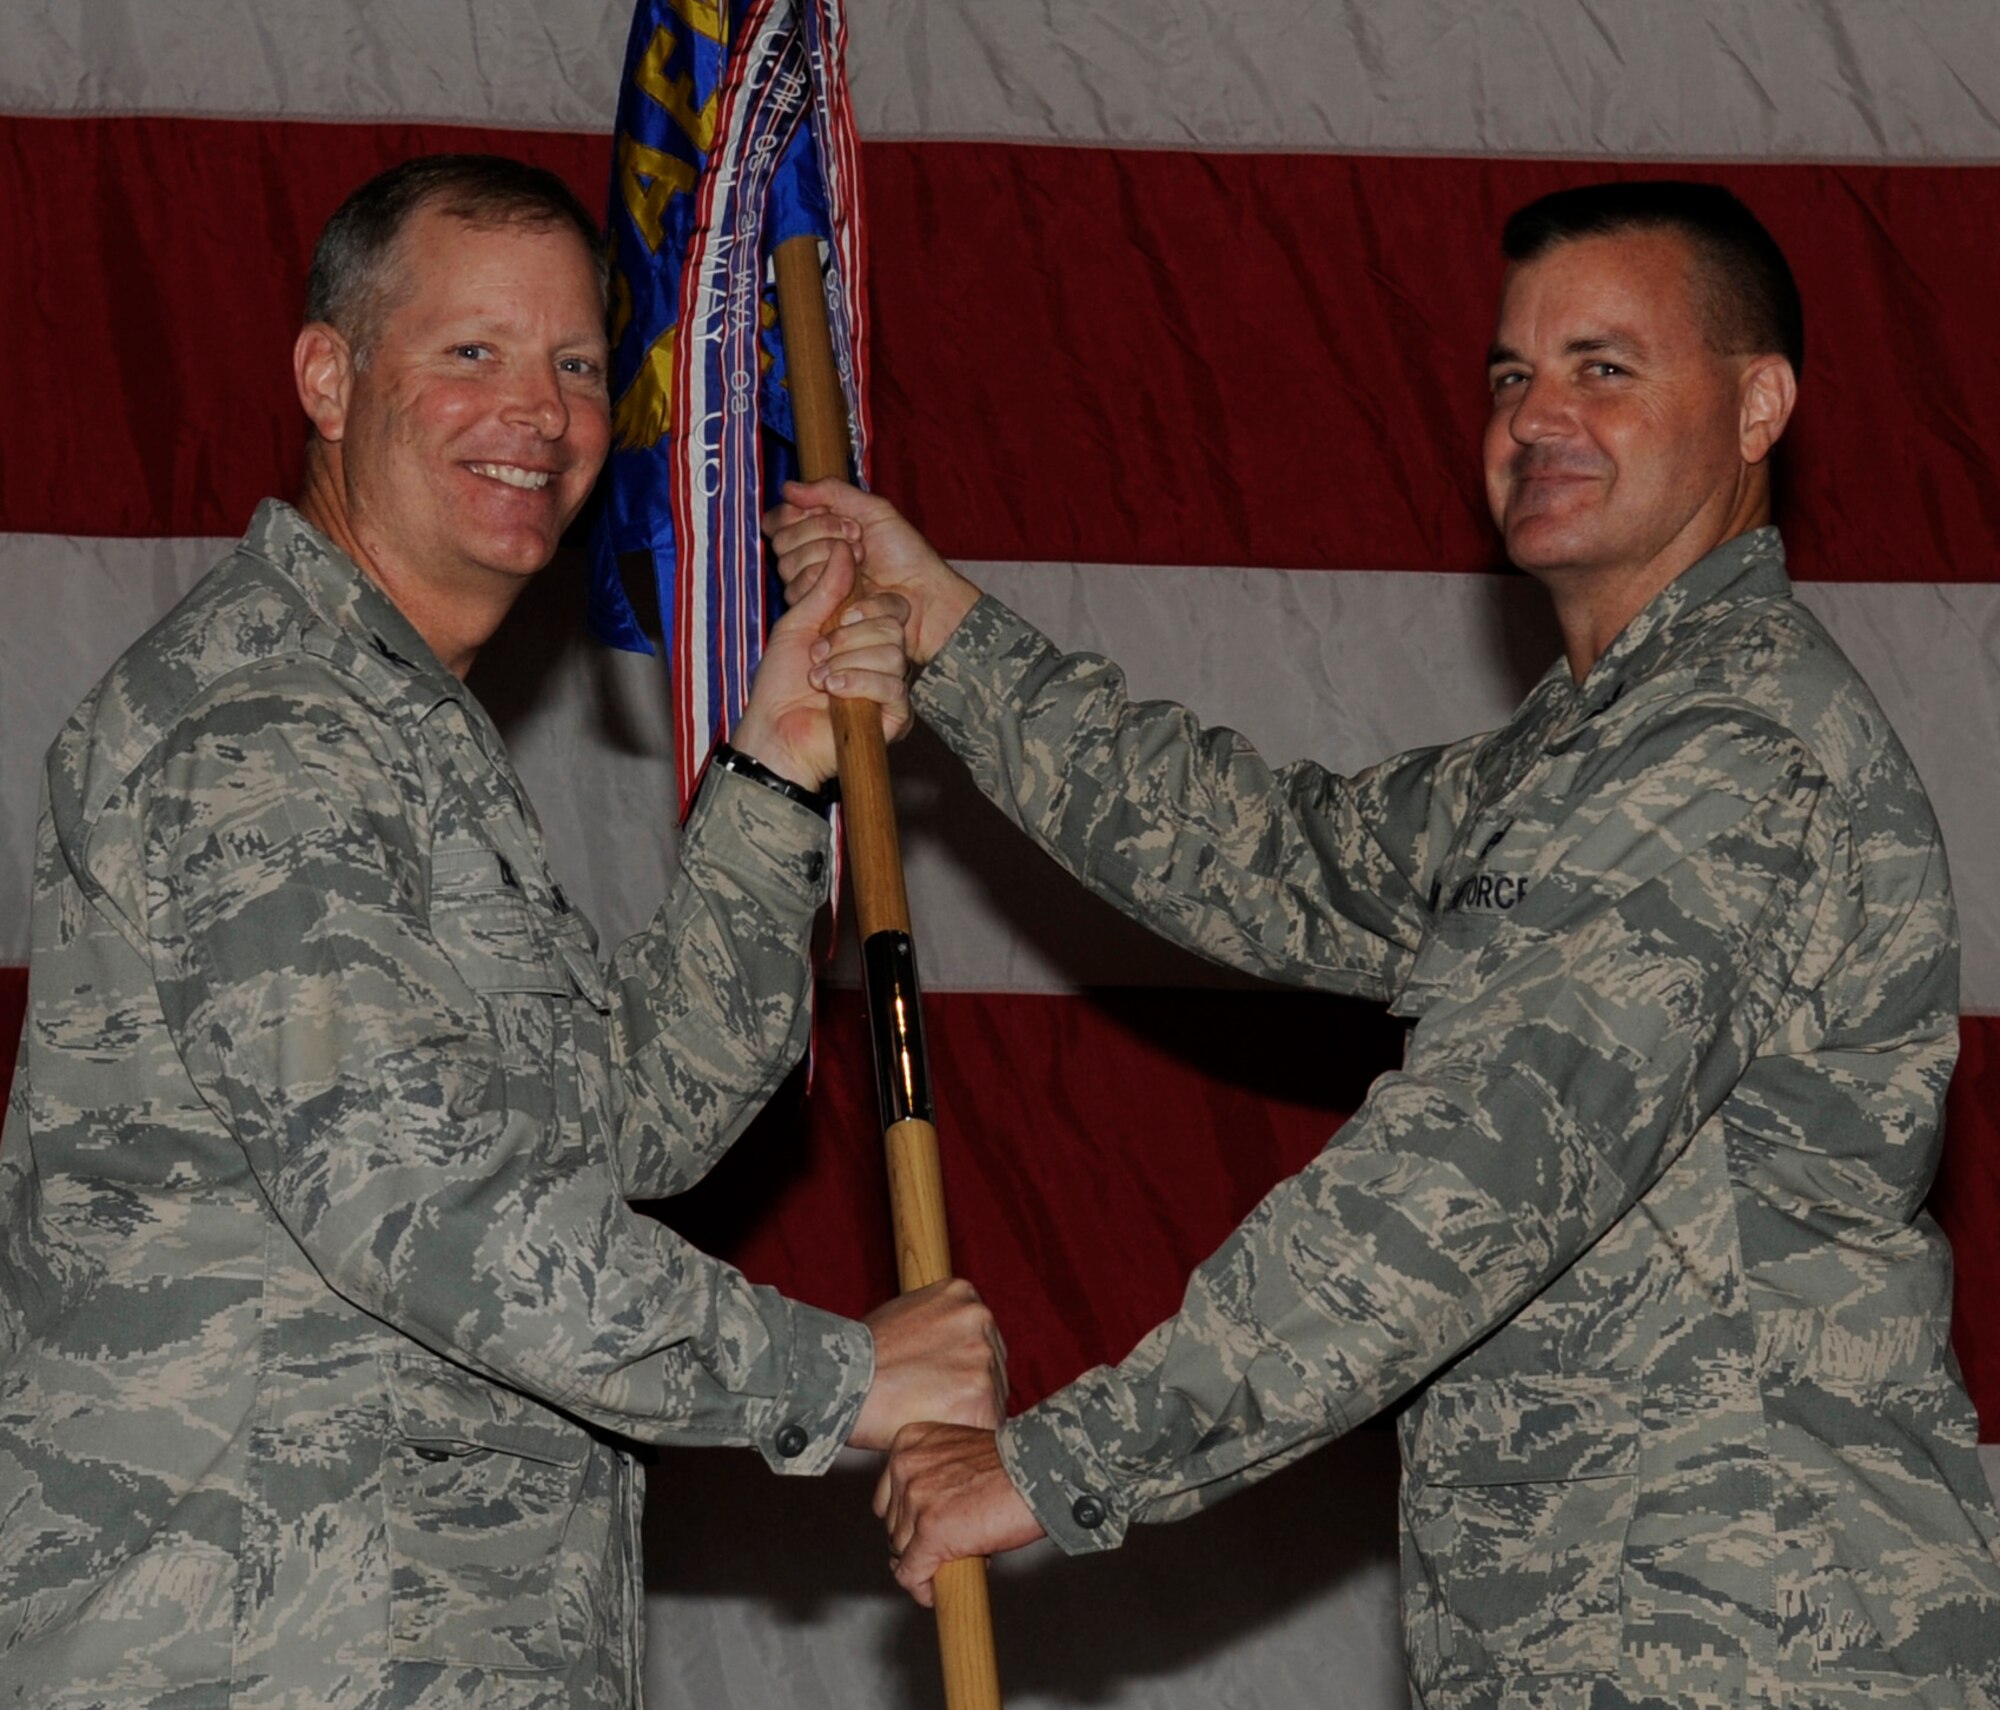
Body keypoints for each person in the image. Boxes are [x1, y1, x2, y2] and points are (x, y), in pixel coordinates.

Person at [768, 181, 2000, 1705]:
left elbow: (1467, 1169)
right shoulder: (1579, 760)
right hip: (1603, 1634)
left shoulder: (1730, 753)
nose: (1538, 415)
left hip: (1752, 1642)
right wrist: (950, 631)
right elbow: (1277, 855)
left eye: (1603, 367)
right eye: (1510, 375)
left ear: (1758, 407)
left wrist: (1063, 1460)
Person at [0, 154, 1004, 1707]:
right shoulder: (265, 722)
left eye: (578, 364)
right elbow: (418, 1204)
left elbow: (636, 1122)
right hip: (260, 1655)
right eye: (470, 351)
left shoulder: (399, 729)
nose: (536, 410)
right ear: (328, 377)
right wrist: (842, 1376)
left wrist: (776, 768)